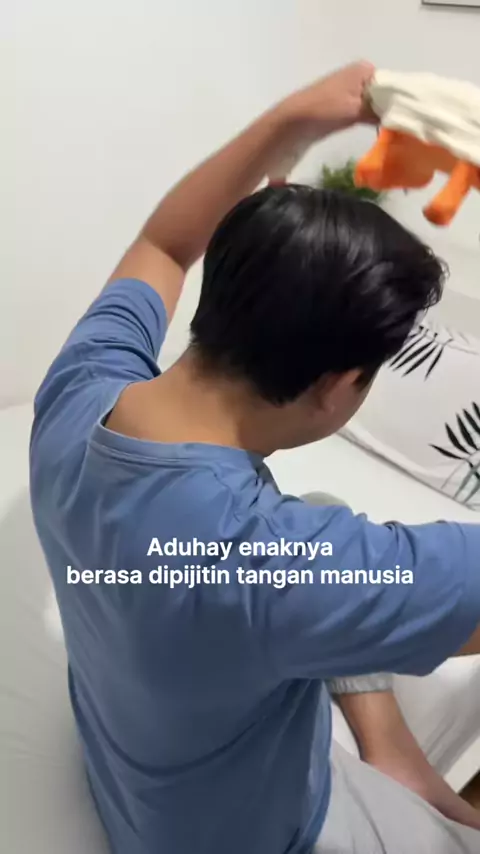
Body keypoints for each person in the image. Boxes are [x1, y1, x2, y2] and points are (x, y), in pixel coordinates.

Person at [29, 61, 480, 854]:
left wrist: (293, 118)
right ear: (338, 386)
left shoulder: (76, 395)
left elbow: (163, 244)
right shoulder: (271, 569)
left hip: (140, 792)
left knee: (322, 511)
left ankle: (395, 757)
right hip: (260, 835)